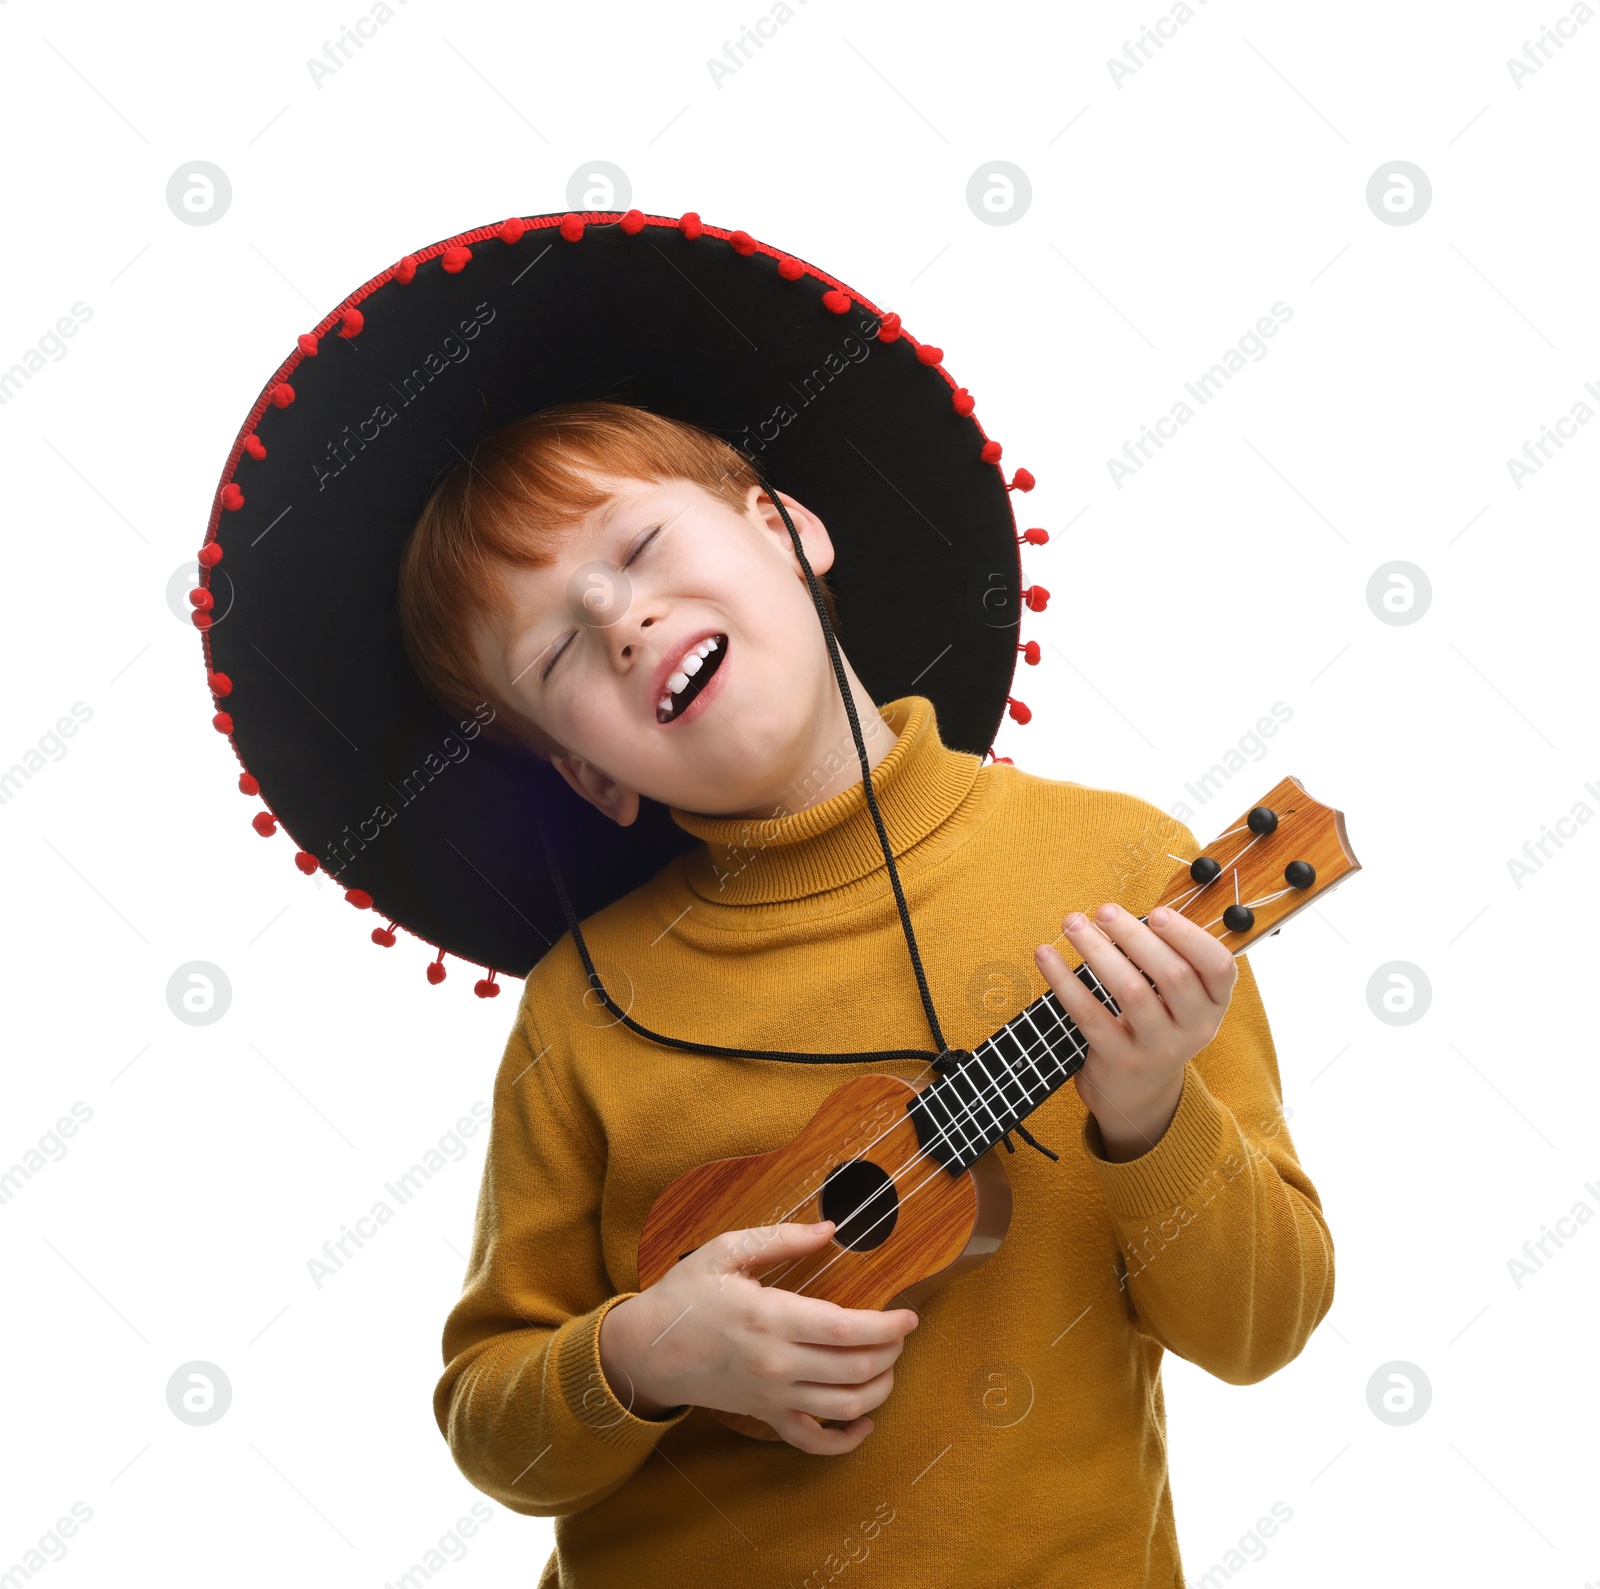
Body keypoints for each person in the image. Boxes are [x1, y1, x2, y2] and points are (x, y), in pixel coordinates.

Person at [198, 210, 1334, 1589]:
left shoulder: (1119, 879)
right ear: (588, 771)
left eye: (641, 545)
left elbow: (1262, 1327)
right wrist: (641, 1353)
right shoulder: (592, 1003)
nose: (621, 619)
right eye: (557, 649)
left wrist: (1153, 1113)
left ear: (784, 523)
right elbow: (494, 1426)